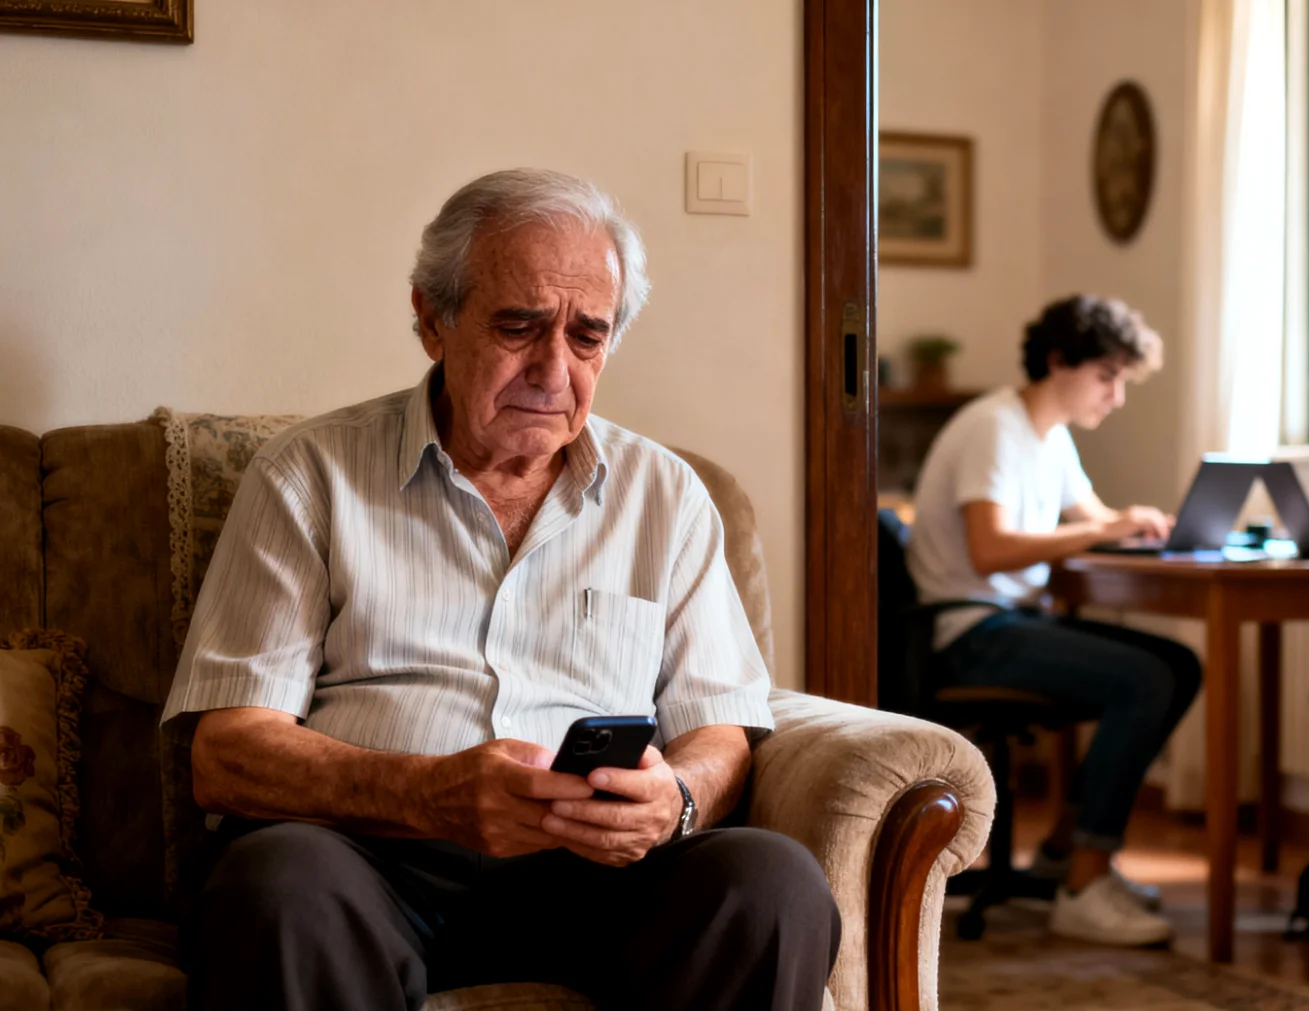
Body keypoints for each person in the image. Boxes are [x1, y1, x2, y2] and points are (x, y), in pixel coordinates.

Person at [162, 169, 839, 1010]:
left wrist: (675, 802)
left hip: (599, 875)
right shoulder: (310, 475)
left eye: (587, 336)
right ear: (431, 319)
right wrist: (424, 792)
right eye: (519, 326)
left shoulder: (666, 495)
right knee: (274, 881)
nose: (553, 370)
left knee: (771, 879)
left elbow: (721, 732)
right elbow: (226, 753)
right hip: (371, 858)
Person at [905, 295, 1203, 947]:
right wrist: (1101, 528)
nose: (1117, 395)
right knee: (1147, 678)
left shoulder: (1051, 437)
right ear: (1059, 361)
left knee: (1179, 664)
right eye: (1107, 375)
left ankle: (1066, 851)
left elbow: (1091, 519)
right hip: (967, 632)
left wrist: (1137, 527)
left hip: (1009, 622)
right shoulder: (994, 426)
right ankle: (1084, 884)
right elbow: (991, 547)